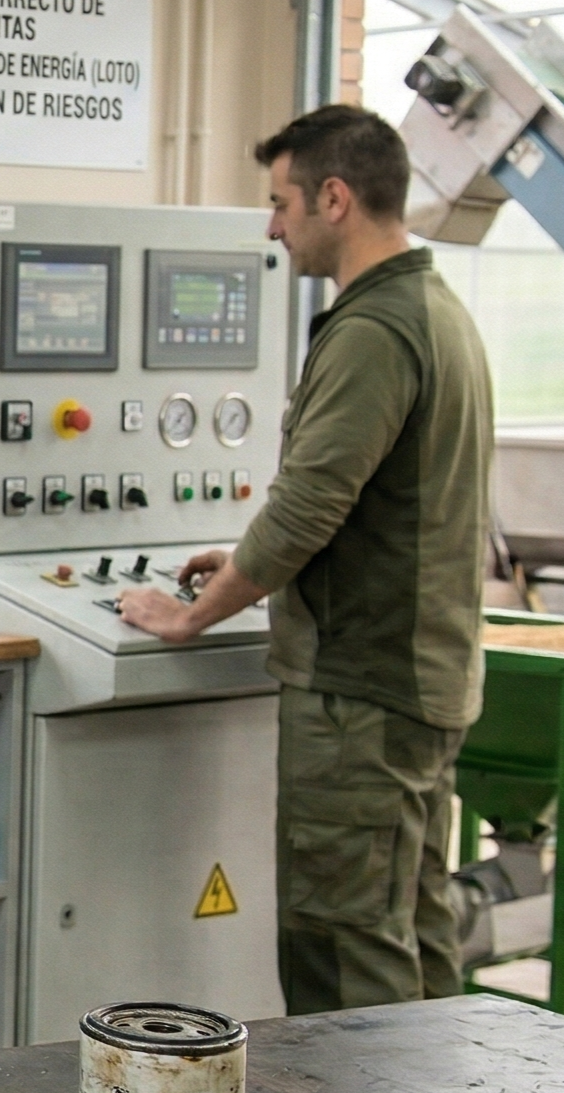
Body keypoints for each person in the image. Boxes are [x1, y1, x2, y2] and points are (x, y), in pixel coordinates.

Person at [117, 104, 492, 1015]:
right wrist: (241, 560)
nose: (273, 226)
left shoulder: (374, 330)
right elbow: (358, 502)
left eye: (282, 202)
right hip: (412, 681)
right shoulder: (432, 309)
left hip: (362, 694)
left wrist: (192, 613)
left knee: (341, 949)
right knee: (412, 929)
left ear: (335, 197)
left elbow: (309, 505)